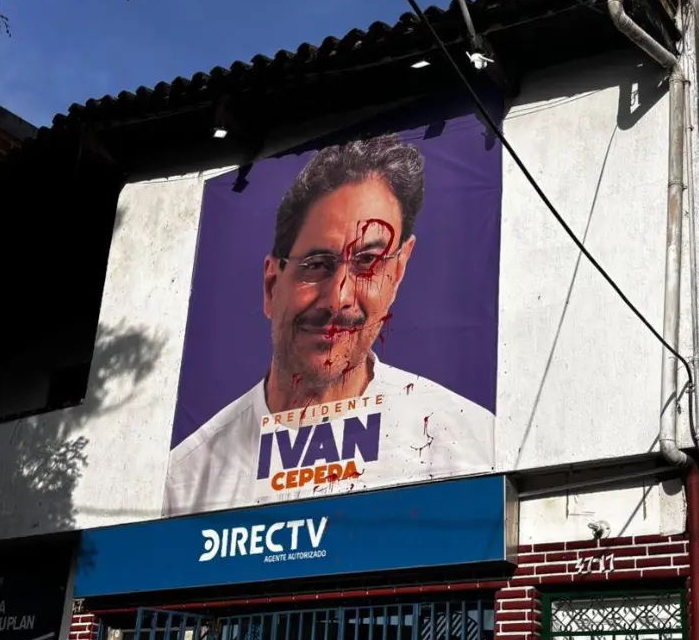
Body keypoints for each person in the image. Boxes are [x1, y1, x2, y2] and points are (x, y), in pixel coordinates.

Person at [163, 133, 494, 517]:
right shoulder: (187, 480)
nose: (338, 299)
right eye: (317, 265)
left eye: (368, 262)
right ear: (272, 285)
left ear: (399, 270)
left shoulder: (465, 445)